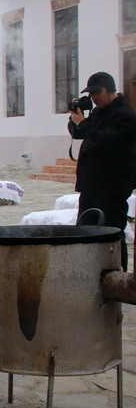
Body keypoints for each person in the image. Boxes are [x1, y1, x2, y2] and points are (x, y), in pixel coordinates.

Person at [69, 71, 136, 271]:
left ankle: (117, 273)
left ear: (108, 89)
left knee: (111, 232)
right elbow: (80, 133)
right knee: (86, 230)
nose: (93, 98)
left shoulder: (123, 114)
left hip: (111, 186)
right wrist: (74, 119)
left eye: (96, 93)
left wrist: (83, 123)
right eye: (91, 94)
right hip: (91, 185)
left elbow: (104, 141)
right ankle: (90, 271)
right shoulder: (99, 111)